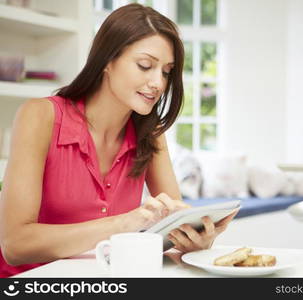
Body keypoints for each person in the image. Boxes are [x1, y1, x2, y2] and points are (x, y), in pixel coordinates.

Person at [0, 3, 237, 278]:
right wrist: (126, 223)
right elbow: (15, 245)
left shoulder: (150, 135)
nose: (158, 83)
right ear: (107, 61)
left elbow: (172, 225)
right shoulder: (40, 115)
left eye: (166, 72)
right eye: (145, 65)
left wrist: (194, 239)